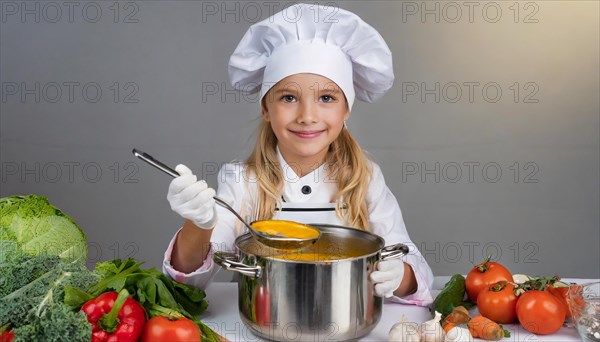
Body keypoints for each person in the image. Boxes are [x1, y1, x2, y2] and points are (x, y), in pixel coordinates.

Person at [162, 3, 434, 306]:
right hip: (265, 314)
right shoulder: (241, 181)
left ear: (346, 110)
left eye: (326, 98)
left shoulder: (365, 179)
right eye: (289, 97)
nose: (307, 116)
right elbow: (191, 278)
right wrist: (200, 223)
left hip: (347, 318)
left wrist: (399, 277)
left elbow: (416, 273)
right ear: (266, 107)